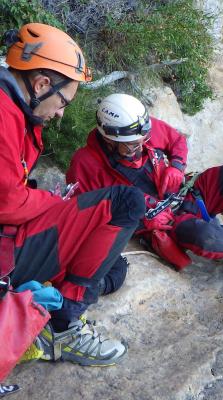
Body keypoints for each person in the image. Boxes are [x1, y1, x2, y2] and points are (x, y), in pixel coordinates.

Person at [0, 23, 145, 366]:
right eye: (63, 100)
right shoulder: (4, 116)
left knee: (114, 265)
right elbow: (7, 202)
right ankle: (63, 328)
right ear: (41, 84)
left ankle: (63, 310)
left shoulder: (13, 108)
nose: (62, 111)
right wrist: (54, 203)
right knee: (126, 203)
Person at [66, 93, 223, 284]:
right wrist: (139, 220)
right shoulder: (85, 165)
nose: (141, 146)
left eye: (143, 140)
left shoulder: (139, 128)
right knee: (206, 236)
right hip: (167, 222)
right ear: (109, 140)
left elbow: (176, 142)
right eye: (133, 145)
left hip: (188, 191)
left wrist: (176, 167)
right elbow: (87, 216)